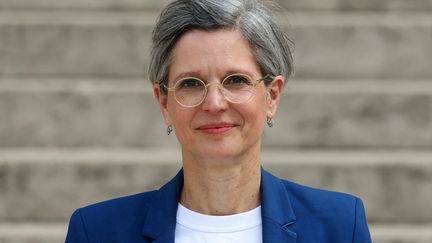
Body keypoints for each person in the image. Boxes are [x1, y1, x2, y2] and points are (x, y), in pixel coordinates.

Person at [65, 0, 372, 242]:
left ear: (272, 96)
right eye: (190, 83)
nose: (214, 103)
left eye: (236, 80)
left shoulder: (340, 226)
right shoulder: (97, 232)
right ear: (164, 101)